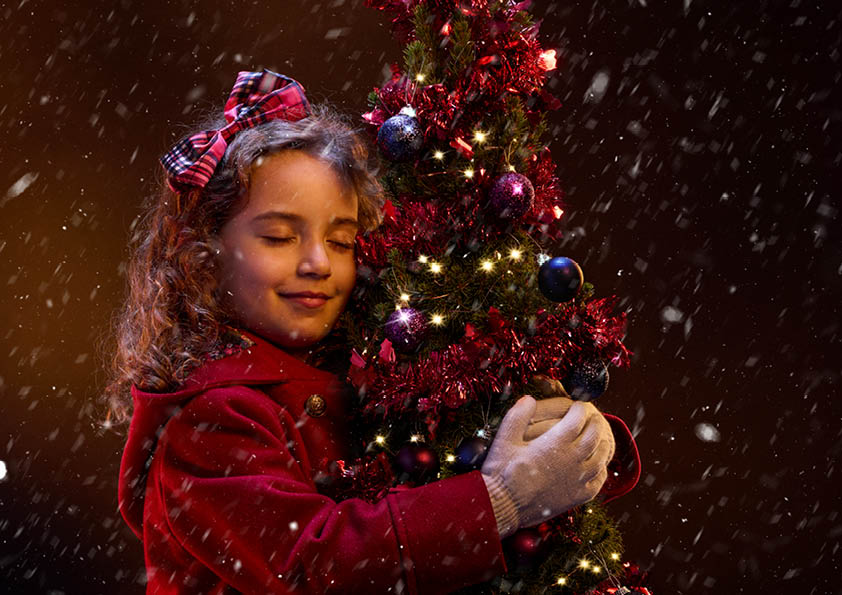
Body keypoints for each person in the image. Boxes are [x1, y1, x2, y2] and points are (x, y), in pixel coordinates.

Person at [105, 69, 641, 594]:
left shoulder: (369, 365)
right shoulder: (208, 420)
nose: (318, 263)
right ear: (204, 253)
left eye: (340, 241)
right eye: (279, 237)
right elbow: (316, 565)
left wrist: (561, 439)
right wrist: (501, 495)